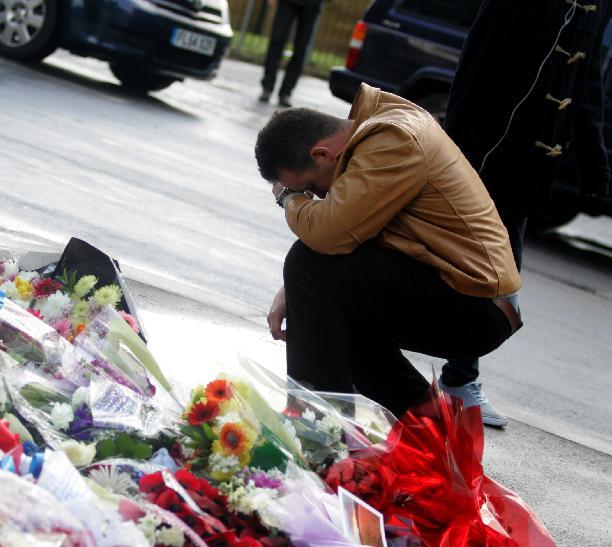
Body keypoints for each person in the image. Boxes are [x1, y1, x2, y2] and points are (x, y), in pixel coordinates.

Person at [255, 83, 523, 419]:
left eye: (308, 188)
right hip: (463, 293)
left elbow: (326, 234)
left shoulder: (392, 142)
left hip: (475, 306)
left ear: (321, 155)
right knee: (321, 299)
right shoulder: (374, 138)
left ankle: (317, 428)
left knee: (307, 266)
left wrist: (287, 198)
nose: (313, 196)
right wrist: (290, 290)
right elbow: (345, 237)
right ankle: (432, 426)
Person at [437, 0, 612, 426]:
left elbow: (587, 84)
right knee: (441, 259)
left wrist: (595, 166)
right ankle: (439, 371)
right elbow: (476, 66)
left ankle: (459, 377)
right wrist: (457, 154)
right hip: (487, 152)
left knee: (497, 277)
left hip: (528, 168)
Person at [259, 0, 324, 107]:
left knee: (301, 49)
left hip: (312, 3)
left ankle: (286, 92)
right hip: (287, 2)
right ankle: (267, 87)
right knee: (276, 42)